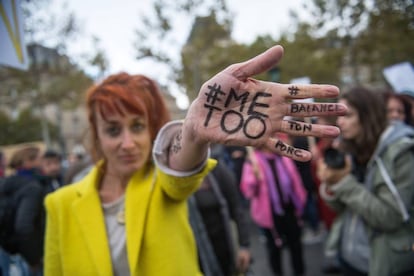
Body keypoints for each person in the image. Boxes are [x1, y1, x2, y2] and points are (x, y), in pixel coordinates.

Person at [43, 45, 346, 275]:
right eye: (112, 129)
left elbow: (178, 175)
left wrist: (193, 133)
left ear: (151, 128)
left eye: (137, 126)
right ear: (95, 134)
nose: (127, 143)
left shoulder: (163, 183)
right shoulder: (60, 204)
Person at [318, 87, 414, 276]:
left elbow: (390, 217)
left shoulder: (399, 153)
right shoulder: (351, 149)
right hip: (348, 257)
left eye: (348, 115)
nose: (340, 122)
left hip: (382, 263)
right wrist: (330, 183)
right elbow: (341, 208)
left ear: (368, 115)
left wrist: (343, 183)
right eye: (339, 115)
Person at [241, 142, 308, 276]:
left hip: (289, 210)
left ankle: (299, 272)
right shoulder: (252, 161)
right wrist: (254, 178)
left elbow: (295, 180)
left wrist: (301, 200)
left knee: (296, 246)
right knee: (274, 250)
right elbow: (247, 192)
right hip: (269, 214)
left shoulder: (283, 157)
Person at [191, 145, 251, 275]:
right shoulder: (176, 180)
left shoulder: (216, 170)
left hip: (226, 249)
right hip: (197, 256)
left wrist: (244, 246)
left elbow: (236, 208)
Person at [0, 145, 45, 276]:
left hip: (12, 247)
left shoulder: (8, 182)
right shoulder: (32, 187)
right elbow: (24, 225)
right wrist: (34, 259)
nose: (42, 162)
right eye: (39, 159)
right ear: (28, 162)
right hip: (32, 251)